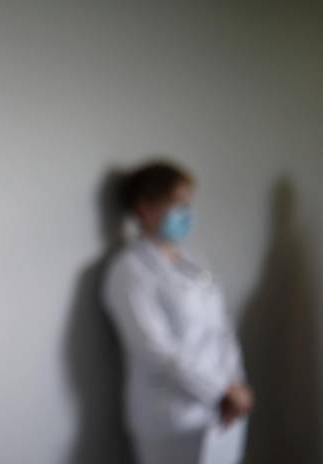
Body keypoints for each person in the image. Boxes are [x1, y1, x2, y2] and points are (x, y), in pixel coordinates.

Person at [102, 161, 254, 464]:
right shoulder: (130, 270)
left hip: (220, 412)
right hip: (171, 417)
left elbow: (221, 329)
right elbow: (154, 349)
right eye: (178, 204)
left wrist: (236, 383)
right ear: (145, 208)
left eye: (188, 203)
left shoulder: (193, 262)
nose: (187, 213)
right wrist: (219, 391)